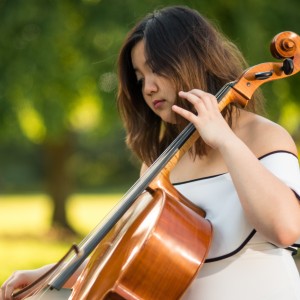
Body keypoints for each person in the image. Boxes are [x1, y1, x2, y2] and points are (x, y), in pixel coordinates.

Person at [1, 5, 300, 300]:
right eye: (141, 77)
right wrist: (49, 275)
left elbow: (286, 229)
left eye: (158, 69)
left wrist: (225, 140)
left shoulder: (264, 136)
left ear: (195, 60)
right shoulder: (160, 163)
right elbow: (117, 259)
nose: (148, 88)